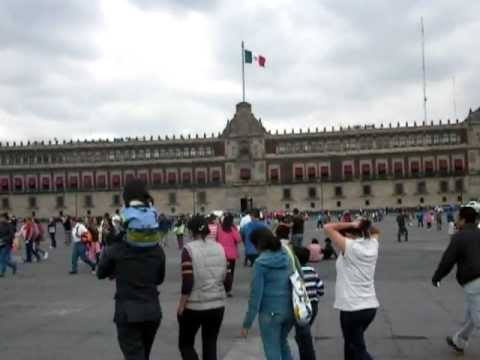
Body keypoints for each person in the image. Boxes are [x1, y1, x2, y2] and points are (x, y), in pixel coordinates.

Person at [97, 179, 166, 360]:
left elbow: (100, 272)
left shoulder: (117, 249)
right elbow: (159, 278)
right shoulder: (158, 250)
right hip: (152, 313)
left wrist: (112, 243)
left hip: (128, 315)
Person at [324, 219, 380, 360]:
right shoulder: (372, 244)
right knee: (351, 344)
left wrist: (352, 224)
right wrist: (361, 224)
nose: (341, 239)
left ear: (350, 235)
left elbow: (328, 227)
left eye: (344, 235)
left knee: (357, 348)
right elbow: (376, 231)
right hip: (369, 307)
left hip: (352, 309)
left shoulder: (351, 247)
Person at [178, 215, 231, 360]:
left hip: (195, 305)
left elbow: (188, 282)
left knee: (186, 344)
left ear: (191, 232)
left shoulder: (188, 249)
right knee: (210, 343)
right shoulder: (220, 247)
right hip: (217, 305)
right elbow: (227, 280)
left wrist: (181, 305)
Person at [431, 206, 480, 354]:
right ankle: (459, 341)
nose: (457, 221)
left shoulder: (459, 237)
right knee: (471, 315)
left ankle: (459, 341)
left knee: (477, 316)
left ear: (463, 220)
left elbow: (448, 260)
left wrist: (437, 277)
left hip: (473, 280)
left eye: (459, 218)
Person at [241, 227, 294, 360]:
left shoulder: (260, 263)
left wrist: (247, 323)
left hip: (270, 314)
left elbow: (255, 296)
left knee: (272, 350)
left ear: (257, 244)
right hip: (289, 310)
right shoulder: (286, 255)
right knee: (283, 344)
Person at [293, 246, 325, 360]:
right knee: (304, 330)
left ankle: (307, 355)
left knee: (304, 334)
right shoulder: (312, 271)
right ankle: (304, 350)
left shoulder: (294, 272)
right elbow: (320, 288)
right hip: (313, 305)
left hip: (301, 306)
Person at [216, 213, 241, 297]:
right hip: (231, 255)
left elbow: (216, 239)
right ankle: (228, 290)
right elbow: (238, 239)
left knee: (222, 271)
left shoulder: (219, 229)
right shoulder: (232, 229)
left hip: (221, 253)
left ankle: (221, 288)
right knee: (230, 272)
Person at [0, 213, 17, 277]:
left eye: (2, 218)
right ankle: (13, 266)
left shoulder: (10, 225)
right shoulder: (0, 225)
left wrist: (3, 239)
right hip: (0, 244)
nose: (1, 219)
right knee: (4, 259)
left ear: (5, 218)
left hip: (7, 244)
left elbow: (12, 235)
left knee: (2, 258)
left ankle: (2, 273)